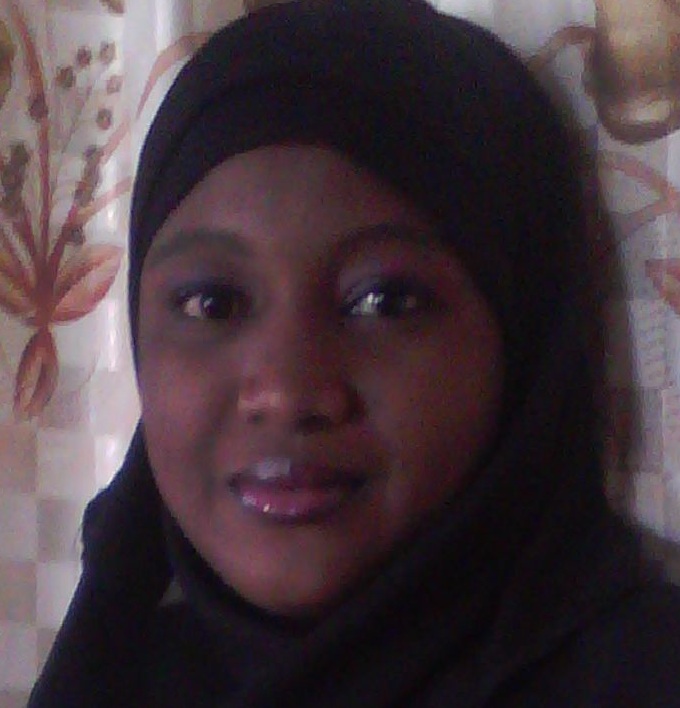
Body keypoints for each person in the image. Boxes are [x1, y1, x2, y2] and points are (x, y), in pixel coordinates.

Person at [29, 0, 680, 705]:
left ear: (523, 341)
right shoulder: (117, 680)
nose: (285, 391)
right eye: (212, 303)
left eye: (386, 301)